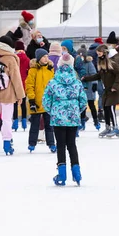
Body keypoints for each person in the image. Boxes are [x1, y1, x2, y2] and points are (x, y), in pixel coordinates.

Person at [43, 53, 87, 186]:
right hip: (73, 118)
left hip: (58, 118)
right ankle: (77, 173)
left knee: (61, 145)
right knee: (72, 144)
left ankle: (62, 174)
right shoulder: (77, 82)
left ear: (60, 65)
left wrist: (54, 112)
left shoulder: (53, 82)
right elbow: (83, 101)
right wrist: (75, 112)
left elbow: (46, 101)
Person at [82, 44, 119, 138]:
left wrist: (115, 86)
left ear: (104, 53)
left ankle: (116, 128)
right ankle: (108, 127)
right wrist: (86, 78)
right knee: (106, 108)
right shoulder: (101, 64)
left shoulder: (112, 63)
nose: (98, 56)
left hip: (114, 90)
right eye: (97, 54)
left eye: (100, 54)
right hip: (107, 90)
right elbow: (98, 76)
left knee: (111, 109)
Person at [26, 48, 56, 153]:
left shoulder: (50, 69)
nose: (46, 58)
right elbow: (29, 86)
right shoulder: (33, 70)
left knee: (49, 125)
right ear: (39, 58)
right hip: (37, 103)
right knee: (35, 125)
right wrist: (32, 100)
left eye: (47, 56)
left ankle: (51, 144)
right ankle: (32, 143)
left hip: (48, 103)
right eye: (43, 57)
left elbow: (53, 85)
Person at [79, 47, 100, 130]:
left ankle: (96, 121)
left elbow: (94, 74)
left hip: (90, 88)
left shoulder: (89, 63)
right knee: (83, 107)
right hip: (81, 88)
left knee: (91, 105)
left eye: (82, 56)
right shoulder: (78, 64)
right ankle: (82, 123)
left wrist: (95, 84)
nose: (81, 57)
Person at [13, 41, 30, 132]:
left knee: (15, 104)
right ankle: (24, 122)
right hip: (24, 84)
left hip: (15, 84)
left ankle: (15, 123)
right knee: (23, 104)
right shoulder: (27, 59)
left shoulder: (14, 58)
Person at [88, 37, 105, 122]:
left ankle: (84, 115)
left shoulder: (89, 50)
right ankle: (100, 112)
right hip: (99, 75)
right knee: (101, 94)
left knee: (90, 96)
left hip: (91, 75)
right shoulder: (100, 49)